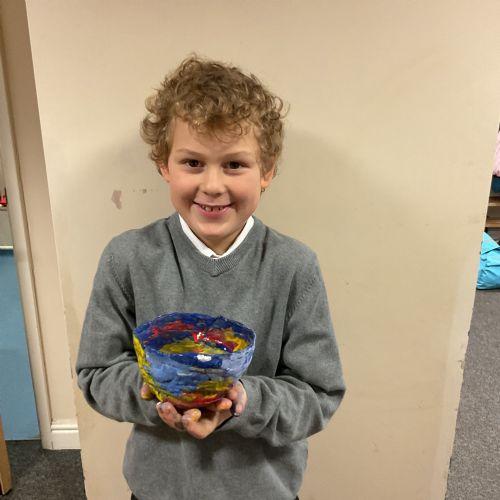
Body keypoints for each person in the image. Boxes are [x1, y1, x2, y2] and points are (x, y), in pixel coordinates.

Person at [76, 55, 345, 500]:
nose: (213, 185)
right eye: (193, 162)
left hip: (263, 491)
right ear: (164, 164)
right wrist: (160, 389)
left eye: (235, 165)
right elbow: (96, 372)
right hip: (159, 490)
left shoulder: (294, 267)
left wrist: (241, 400)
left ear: (267, 170)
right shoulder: (127, 258)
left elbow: (319, 393)